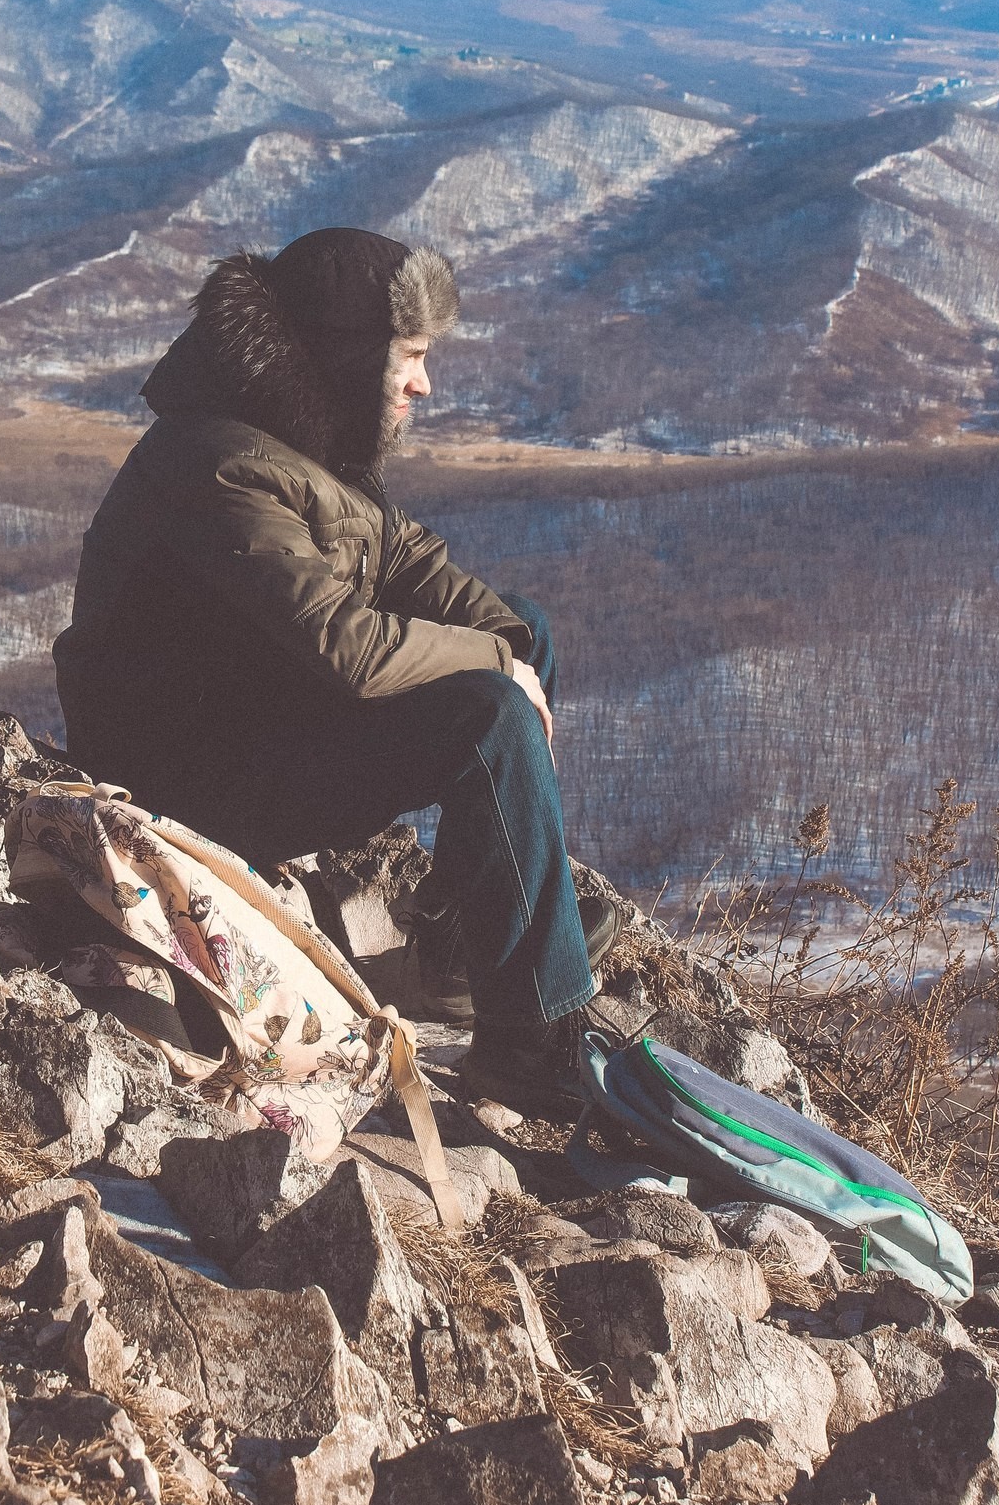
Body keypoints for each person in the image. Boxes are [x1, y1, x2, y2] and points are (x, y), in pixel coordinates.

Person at [53, 225, 618, 1114]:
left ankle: (461, 945)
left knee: (527, 637)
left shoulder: (304, 442)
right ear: (353, 355)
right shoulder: (221, 464)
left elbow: (403, 560)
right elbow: (344, 647)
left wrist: (508, 639)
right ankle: (529, 1041)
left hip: (251, 721)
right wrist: (498, 665)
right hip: (180, 779)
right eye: (414, 356)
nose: (425, 383)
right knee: (488, 716)